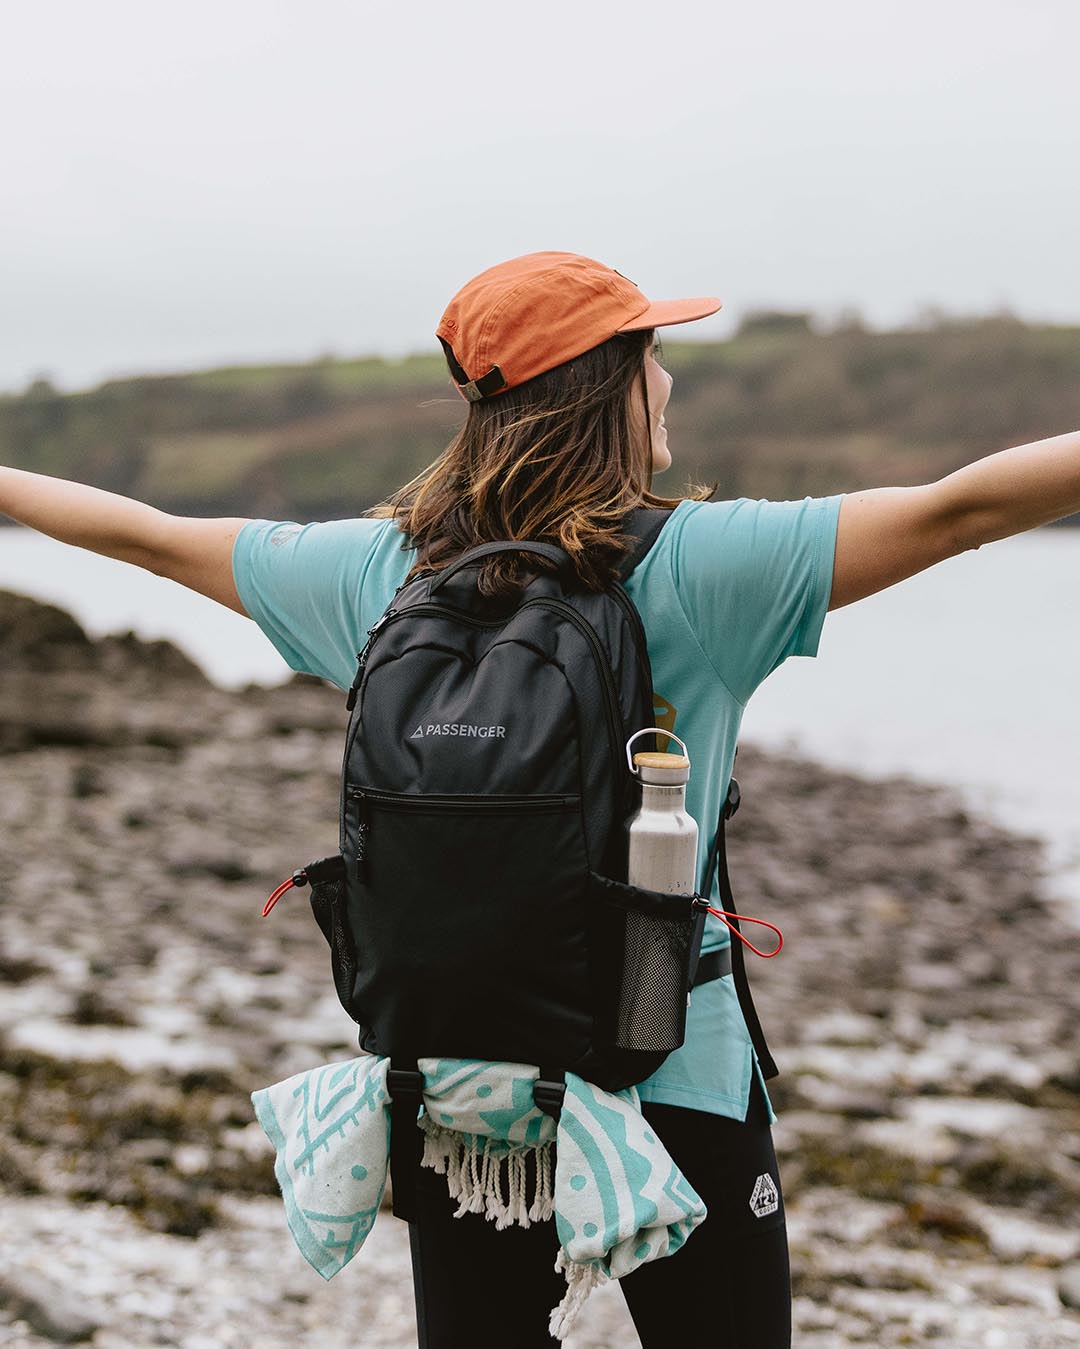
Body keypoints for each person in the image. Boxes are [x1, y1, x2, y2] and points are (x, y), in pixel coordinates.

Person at [2, 249, 1078, 1348]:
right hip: (674, 1071)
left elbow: (148, 536)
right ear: (607, 384)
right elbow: (962, 511)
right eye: (653, 356)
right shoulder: (702, 570)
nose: (668, 380)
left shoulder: (383, 578)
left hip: (469, 1092)